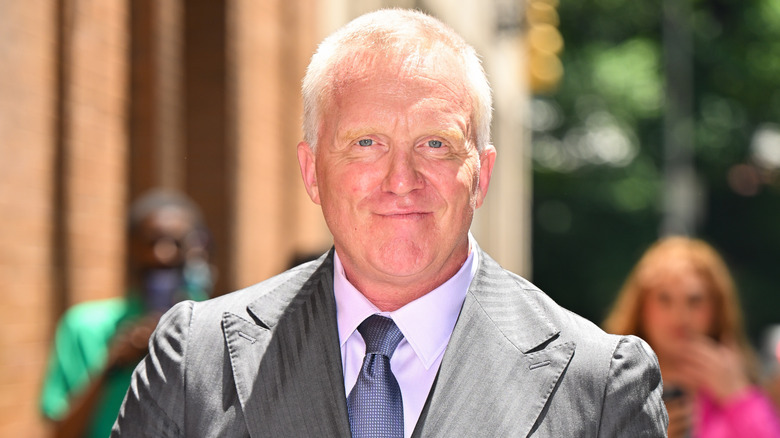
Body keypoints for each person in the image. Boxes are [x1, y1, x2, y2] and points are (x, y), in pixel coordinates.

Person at [112, 9, 667, 437]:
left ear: (482, 173)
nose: (401, 179)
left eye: (435, 144)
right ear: (311, 172)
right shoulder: (193, 361)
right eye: (366, 143)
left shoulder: (598, 385)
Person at [40, 189, 213, 438]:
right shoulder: (85, 327)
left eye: (177, 242)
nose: (162, 255)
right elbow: (60, 431)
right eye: (151, 242)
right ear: (130, 248)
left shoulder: (214, 327)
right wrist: (112, 365)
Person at [604, 236, 780, 438]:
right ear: (641, 309)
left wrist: (739, 399)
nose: (679, 316)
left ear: (718, 310)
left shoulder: (739, 386)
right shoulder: (611, 383)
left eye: (694, 301)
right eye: (664, 299)